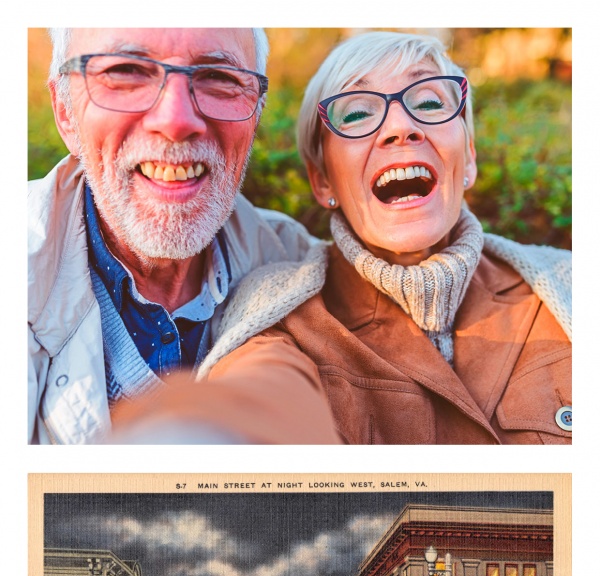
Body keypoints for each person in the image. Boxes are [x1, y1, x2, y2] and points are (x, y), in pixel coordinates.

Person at [192, 30, 571, 445]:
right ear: (322, 181)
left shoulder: (568, 286)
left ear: (470, 158)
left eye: (429, 103)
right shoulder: (279, 318)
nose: (401, 127)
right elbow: (257, 403)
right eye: (356, 114)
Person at [28, 27, 339, 444]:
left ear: (256, 113)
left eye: (219, 78)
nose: (175, 121)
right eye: (126, 72)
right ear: (65, 111)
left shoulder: (299, 266)